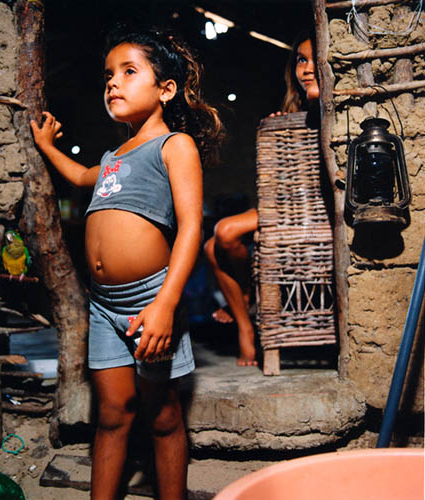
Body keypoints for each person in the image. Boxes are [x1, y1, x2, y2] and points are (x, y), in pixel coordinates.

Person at [31, 25, 224, 500]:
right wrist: (48, 146)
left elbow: (191, 229)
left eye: (128, 71)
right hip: (103, 305)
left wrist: (165, 304)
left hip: (150, 301)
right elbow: (80, 176)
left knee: (162, 415)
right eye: (108, 75)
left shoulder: (174, 146)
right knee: (113, 414)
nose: (112, 83)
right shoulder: (113, 157)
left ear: (166, 89)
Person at [204, 28, 320, 367]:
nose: (307, 68)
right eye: (301, 60)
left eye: (315, 59)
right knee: (211, 247)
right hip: (287, 206)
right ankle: (246, 323)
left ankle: (247, 296)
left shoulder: (339, 107)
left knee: (224, 232)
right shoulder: (290, 111)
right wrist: (281, 128)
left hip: (316, 209)